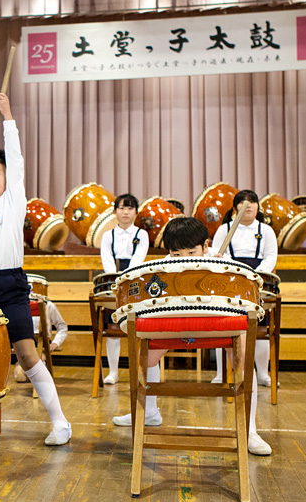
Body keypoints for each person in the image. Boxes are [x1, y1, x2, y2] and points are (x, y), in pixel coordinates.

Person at [0, 93, 72, 445]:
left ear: (8, 178)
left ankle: (61, 423)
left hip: (11, 286)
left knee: (27, 354)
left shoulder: (14, 200)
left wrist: (7, 116)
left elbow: (15, 156)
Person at [111, 216, 272, 455]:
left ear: (205, 246)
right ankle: (150, 412)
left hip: (214, 323)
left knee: (243, 352)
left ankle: (250, 431)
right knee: (143, 356)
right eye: (176, 254)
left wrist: (218, 268)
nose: (183, 257)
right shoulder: (164, 267)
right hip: (174, 324)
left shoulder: (222, 262)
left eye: (191, 252)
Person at [210, 190, 278, 387]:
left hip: (259, 280)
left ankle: (263, 374)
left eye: (252, 202)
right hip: (231, 279)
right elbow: (218, 254)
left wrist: (255, 276)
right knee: (223, 326)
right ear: (235, 208)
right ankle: (221, 374)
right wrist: (237, 272)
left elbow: (271, 257)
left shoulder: (266, 230)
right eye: (242, 202)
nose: (248, 205)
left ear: (258, 207)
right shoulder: (224, 230)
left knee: (261, 326)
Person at [98, 194, 149, 384]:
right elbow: (107, 260)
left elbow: (138, 259)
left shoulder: (141, 234)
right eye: (121, 208)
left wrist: (126, 279)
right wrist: (116, 280)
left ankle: (135, 374)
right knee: (113, 327)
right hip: (113, 281)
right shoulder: (107, 235)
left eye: (130, 208)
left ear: (136, 212)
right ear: (114, 212)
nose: (125, 212)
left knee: (135, 327)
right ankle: (113, 373)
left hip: (133, 281)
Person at [13, 298, 68, 382]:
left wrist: (55, 343)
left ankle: (40, 366)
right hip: (24, 344)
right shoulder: (17, 304)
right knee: (20, 377)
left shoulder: (48, 305)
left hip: (42, 344)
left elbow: (62, 327)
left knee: (39, 377)